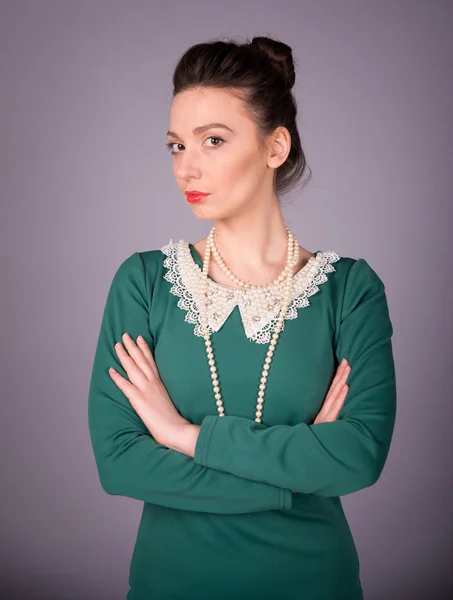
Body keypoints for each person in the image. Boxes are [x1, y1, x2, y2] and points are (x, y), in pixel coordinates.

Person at [88, 35, 397, 600]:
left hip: (311, 583)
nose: (188, 167)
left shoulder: (350, 291)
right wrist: (294, 476)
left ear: (274, 147)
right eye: (177, 146)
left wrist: (182, 436)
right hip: (171, 584)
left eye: (213, 141)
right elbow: (120, 463)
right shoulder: (145, 282)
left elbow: (356, 457)